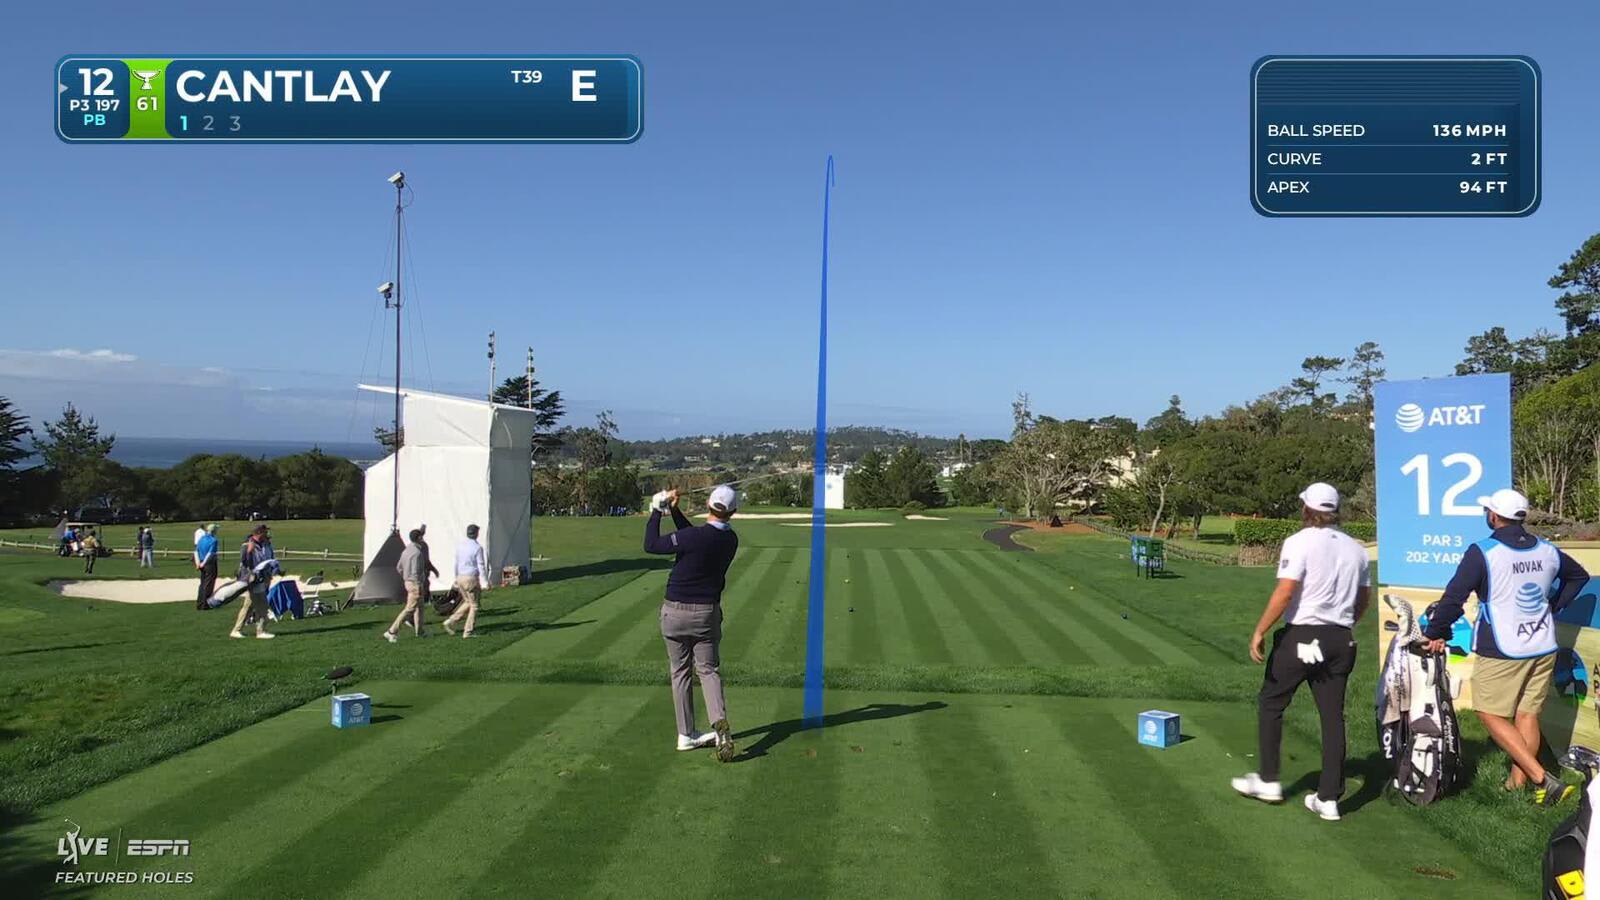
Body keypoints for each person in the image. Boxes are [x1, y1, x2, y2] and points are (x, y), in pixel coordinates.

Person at [1421, 488, 1590, 805]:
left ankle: (1542, 779)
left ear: (1494, 516)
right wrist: (1553, 605)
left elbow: (1455, 597)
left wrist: (1435, 631)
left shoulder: (1483, 552)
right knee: (1527, 715)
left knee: (1488, 713)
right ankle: (1516, 785)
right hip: (1542, 644)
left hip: (1503, 647)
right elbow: (1578, 577)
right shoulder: (1547, 550)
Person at [1232, 482, 1369, 821]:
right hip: (1341, 640)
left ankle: (1268, 781)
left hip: (1303, 636)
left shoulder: (1299, 541)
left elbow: (1285, 592)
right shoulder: (1357, 550)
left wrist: (1260, 630)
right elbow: (1362, 600)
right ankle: (1329, 799)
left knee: (1271, 703)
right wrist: (1343, 625)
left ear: (1307, 509)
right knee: (1333, 717)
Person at [644, 485, 741, 761]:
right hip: (706, 614)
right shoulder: (731, 540)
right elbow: (696, 538)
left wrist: (656, 511)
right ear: (733, 512)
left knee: (680, 672)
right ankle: (719, 722)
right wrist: (674, 511)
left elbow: (651, 545)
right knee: (708, 670)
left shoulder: (693, 537)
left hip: (674, 612)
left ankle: (685, 735)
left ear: (708, 504)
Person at [231, 524, 277, 640]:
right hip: (253, 579)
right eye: (265, 532)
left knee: (249, 606)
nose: (267, 534)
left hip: (264, 577)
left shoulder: (267, 544)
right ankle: (260, 631)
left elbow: (270, 559)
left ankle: (236, 630)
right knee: (262, 605)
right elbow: (244, 562)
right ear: (259, 533)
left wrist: (275, 570)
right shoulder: (247, 545)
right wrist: (249, 551)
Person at [444, 523, 490, 638]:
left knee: (468, 602)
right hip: (471, 578)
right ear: (476, 534)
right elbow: (481, 565)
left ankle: (451, 621)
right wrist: (485, 581)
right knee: (474, 606)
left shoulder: (461, 546)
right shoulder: (477, 548)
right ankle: (468, 631)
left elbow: (456, 563)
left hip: (461, 577)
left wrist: (456, 577)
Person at [384, 529, 429, 643]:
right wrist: (418, 583)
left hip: (408, 582)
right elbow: (415, 571)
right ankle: (392, 631)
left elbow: (399, 567)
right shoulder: (417, 553)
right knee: (410, 609)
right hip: (415, 583)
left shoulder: (406, 550)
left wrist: (406, 577)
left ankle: (420, 631)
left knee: (419, 607)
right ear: (419, 538)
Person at [194, 524, 219, 610]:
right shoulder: (214, 540)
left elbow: (196, 551)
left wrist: (198, 563)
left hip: (201, 562)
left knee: (202, 583)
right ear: (214, 531)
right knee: (208, 584)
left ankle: (199, 603)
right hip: (209, 563)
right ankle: (205, 604)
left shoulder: (201, 539)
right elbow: (210, 553)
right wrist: (204, 563)